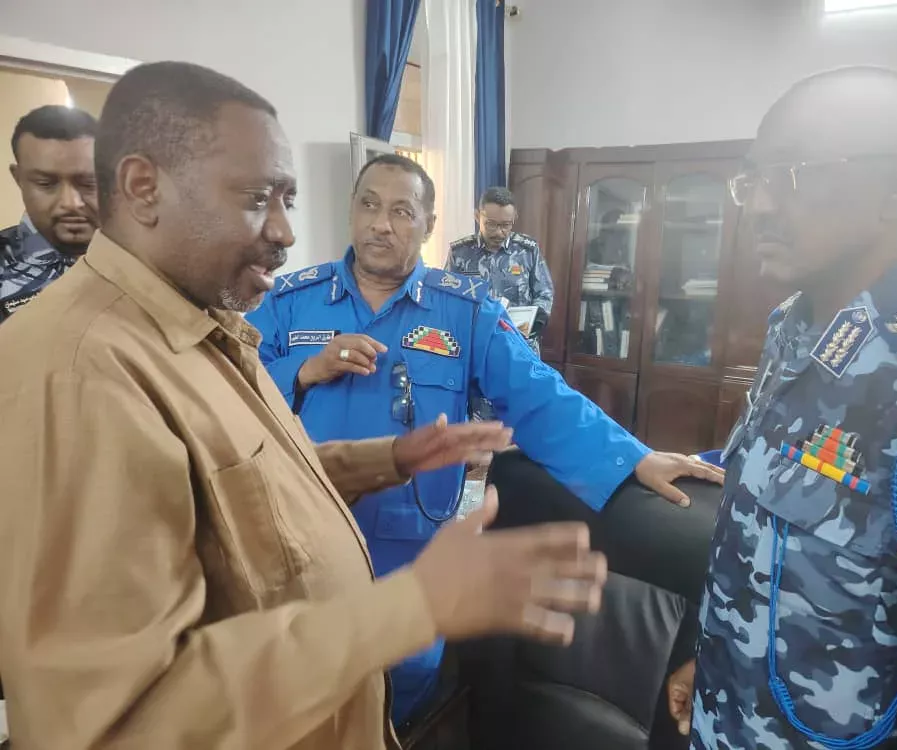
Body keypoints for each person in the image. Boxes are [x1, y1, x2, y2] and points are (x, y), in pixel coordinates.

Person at [0, 61, 612, 750]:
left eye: (288, 198)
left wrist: (387, 459)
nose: (286, 232)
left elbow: (241, 481)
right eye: (258, 197)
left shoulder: (198, 321)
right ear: (144, 188)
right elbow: (117, 722)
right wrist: (413, 605)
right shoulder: (81, 372)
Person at [247, 153, 725, 724]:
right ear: (351, 211)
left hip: (413, 546)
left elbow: (538, 397)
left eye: (402, 211)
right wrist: (301, 371)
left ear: (428, 226)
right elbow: (232, 390)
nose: (381, 223)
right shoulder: (287, 299)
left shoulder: (463, 310)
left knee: (404, 700)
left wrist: (634, 457)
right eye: (369, 205)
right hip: (306, 540)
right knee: (304, 693)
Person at [665, 67, 897, 749]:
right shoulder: (793, 325)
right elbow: (757, 525)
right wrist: (716, 655)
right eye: (753, 179)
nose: (758, 206)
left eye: (793, 173)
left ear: (895, 189)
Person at [1, 104, 98, 322]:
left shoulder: (145, 261)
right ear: (19, 179)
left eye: (88, 183)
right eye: (46, 183)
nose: (70, 203)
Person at [445, 186, 554, 355]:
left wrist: (535, 321)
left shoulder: (528, 250)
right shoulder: (460, 252)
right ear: (477, 216)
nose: (499, 232)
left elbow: (545, 293)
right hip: (474, 345)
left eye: (505, 225)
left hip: (519, 345)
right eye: (491, 224)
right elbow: (447, 296)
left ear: (514, 218)